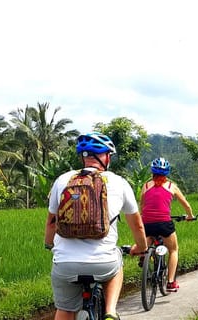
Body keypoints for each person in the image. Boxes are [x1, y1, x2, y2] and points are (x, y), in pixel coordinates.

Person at [44, 132, 147, 320]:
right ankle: (110, 312)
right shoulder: (119, 182)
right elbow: (138, 226)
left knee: (65, 309)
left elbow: (51, 223)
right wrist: (141, 248)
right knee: (116, 262)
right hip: (103, 263)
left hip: (65, 264)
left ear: (83, 157)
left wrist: (49, 245)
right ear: (105, 156)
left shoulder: (62, 180)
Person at [140, 157, 195, 292]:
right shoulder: (172, 186)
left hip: (147, 222)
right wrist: (190, 216)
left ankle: (144, 254)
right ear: (167, 173)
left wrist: (144, 218)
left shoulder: (146, 186)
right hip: (165, 223)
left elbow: (142, 205)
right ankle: (171, 282)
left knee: (148, 237)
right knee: (173, 250)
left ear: (152, 172)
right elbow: (186, 205)